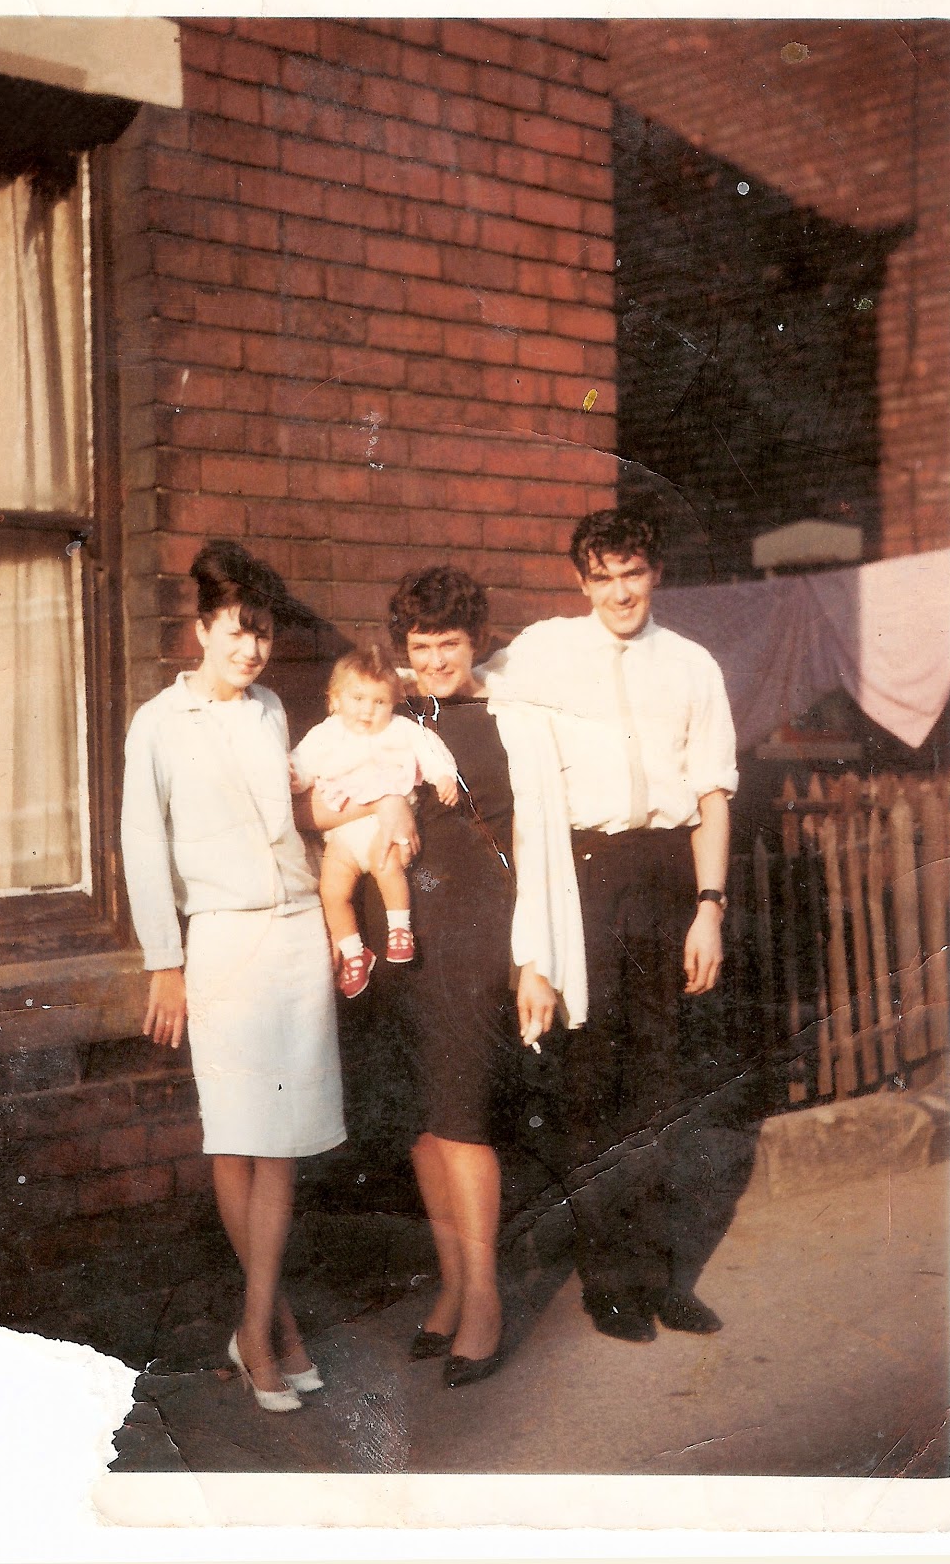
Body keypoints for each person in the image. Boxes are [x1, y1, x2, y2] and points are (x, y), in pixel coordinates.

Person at [484, 508, 739, 1344]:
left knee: (663, 1085)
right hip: (587, 877)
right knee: (593, 1081)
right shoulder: (549, 650)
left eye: (632, 573)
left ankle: (664, 1278)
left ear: (653, 573)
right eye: (602, 576)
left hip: (668, 876)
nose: (619, 591)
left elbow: (711, 796)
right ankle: (611, 1285)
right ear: (581, 581)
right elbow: (461, 681)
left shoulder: (694, 666)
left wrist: (709, 908)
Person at [120, 539, 345, 1413]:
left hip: (294, 938)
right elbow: (144, 847)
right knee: (239, 1132)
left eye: (263, 635)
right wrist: (164, 962)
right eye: (236, 632)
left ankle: (262, 1326)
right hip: (219, 944)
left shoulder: (273, 711)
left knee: (283, 1137)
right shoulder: (158, 725)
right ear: (202, 629)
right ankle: (268, 1330)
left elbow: (295, 817)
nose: (251, 650)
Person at [355, 565, 586, 1388]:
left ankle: (485, 1296)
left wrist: (535, 959)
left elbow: (538, 848)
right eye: (420, 645)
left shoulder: (508, 718)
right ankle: (452, 1286)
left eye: (448, 643)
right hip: (400, 935)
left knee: (463, 1115)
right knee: (425, 1119)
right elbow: (331, 794)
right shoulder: (387, 711)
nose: (435, 659)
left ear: (476, 640)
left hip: (477, 934)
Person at [289, 643, 459, 998]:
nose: (367, 711)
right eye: (357, 699)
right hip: (343, 834)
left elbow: (430, 749)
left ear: (394, 701)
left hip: (386, 830)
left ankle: (400, 929)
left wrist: (443, 775)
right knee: (332, 891)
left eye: (378, 702)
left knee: (388, 868)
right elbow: (302, 764)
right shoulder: (327, 733)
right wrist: (294, 776)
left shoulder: (401, 730)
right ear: (335, 700)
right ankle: (354, 952)